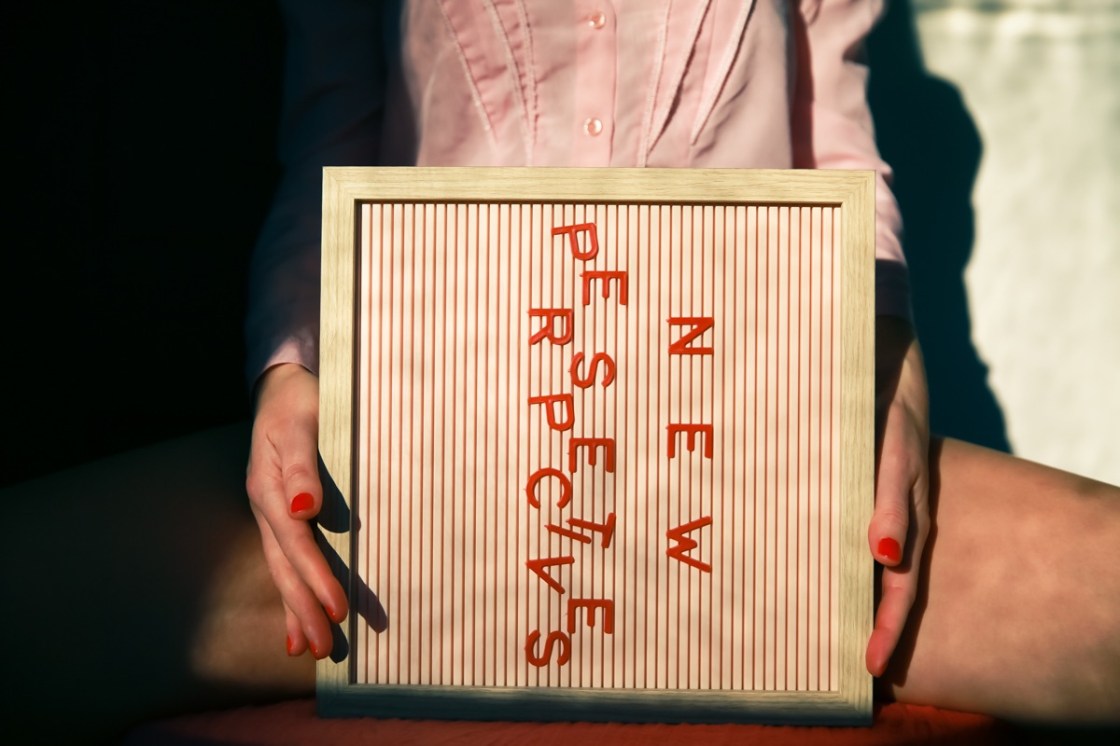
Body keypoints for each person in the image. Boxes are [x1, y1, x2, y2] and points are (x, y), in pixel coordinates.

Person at [1, 1, 1115, 742]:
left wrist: (888, 371)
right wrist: (291, 368)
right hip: (436, 458)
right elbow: (331, 148)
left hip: (745, 462)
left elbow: (843, 156)